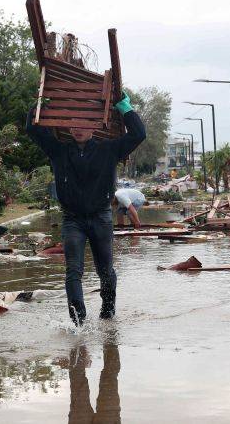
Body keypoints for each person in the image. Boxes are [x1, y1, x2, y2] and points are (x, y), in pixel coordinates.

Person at [26, 92, 146, 324]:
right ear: (69, 128)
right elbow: (33, 129)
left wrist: (125, 108)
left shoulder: (109, 150)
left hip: (101, 218)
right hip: (73, 220)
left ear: (94, 127)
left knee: (106, 271)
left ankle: (108, 314)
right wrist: (40, 104)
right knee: (73, 272)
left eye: (84, 124)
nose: (78, 128)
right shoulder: (58, 150)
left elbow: (139, 134)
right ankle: (78, 321)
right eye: (74, 124)